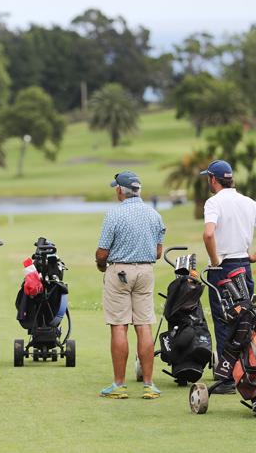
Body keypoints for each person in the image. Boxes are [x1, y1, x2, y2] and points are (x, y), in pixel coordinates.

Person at [200, 160, 256, 394]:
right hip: (244, 267)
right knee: (245, 321)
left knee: (225, 321)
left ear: (213, 179)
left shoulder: (213, 202)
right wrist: (254, 256)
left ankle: (226, 380)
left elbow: (208, 234)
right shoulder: (248, 202)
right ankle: (247, 371)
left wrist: (215, 261)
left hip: (223, 269)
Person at [95, 171, 166, 399]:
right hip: (145, 271)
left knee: (119, 325)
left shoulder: (114, 215)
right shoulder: (154, 215)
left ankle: (119, 385)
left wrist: (100, 264)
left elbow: (102, 252)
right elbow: (157, 252)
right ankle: (148, 385)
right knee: (144, 325)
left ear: (120, 190)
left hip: (120, 272)